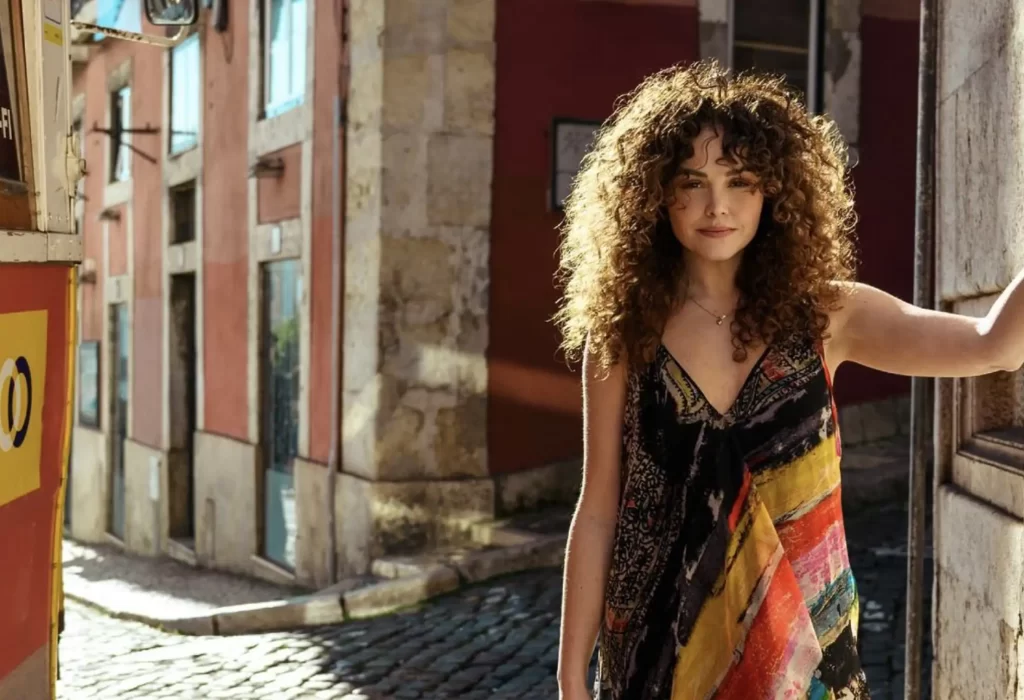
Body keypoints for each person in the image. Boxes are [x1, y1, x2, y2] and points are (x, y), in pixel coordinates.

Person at [553, 60, 1024, 700]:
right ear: (654, 195)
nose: (715, 206)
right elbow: (600, 508)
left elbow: (992, 346)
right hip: (655, 657)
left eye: (739, 180)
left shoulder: (829, 315)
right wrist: (569, 674)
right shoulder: (622, 333)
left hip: (806, 659)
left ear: (773, 190)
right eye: (691, 182)